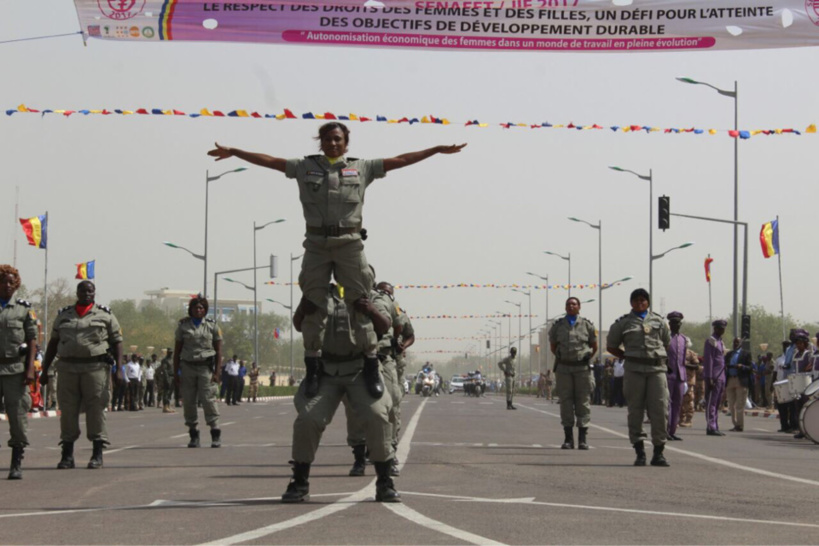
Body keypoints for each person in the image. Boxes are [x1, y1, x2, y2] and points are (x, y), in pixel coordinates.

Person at [208, 125, 466, 405]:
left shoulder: (362, 168)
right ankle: (313, 366)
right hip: (316, 244)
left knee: (361, 302)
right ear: (321, 142)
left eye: (338, 139)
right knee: (313, 302)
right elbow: (270, 161)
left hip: (349, 244)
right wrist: (234, 152)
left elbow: (401, 160)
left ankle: (370, 364)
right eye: (328, 139)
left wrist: (436, 150)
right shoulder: (304, 166)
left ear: (346, 143)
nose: (333, 143)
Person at [283, 283, 398, 503]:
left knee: (376, 416)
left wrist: (370, 309)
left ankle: (385, 482)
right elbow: (298, 325)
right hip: (324, 369)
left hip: (361, 369)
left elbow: (384, 326)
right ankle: (299, 481)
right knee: (308, 418)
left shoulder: (367, 293)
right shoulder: (317, 292)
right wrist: (302, 308)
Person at [40, 280, 123, 470]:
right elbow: (53, 344)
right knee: (67, 411)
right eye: (83, 291)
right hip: (67, 368)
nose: (87, 294)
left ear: (95, 294)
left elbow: (117, 342)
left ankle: (97, 454)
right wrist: (45, 370)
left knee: (96, 410)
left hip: (95, 368)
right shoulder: (64, 316)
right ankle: (67, 455)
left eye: (91, 291)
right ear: (77, 293)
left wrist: (119, 369)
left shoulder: (105, 315)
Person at [606, 288, 671, 467]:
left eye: (643, 300)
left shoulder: (659, 321)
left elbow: (666, 342)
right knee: (635, 410)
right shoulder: (623, 323)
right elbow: (611, 345)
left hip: (656, 369)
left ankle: (659, 452)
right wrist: (626, 356)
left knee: (660, 409)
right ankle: (639, 451)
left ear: (648, 302)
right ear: (631, 303)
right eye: (636, 300)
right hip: (634, 370)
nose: (639, 303)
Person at [0, 265, 37, 479]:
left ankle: (16, 461)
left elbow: (31, 339)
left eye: (11, 282)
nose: (7, 285)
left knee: (18, 415)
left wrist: (30, 367)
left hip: (15, 369)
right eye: (4, 281)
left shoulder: (23, 309)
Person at [173, 295, 223, 448]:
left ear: (205, 310)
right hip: (187, 367)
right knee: (189, 401)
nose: (199, 310)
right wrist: (176, 373)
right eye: (196, 307)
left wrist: (217, 373)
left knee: (208, 400)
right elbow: (177, 351)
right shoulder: (183, 326)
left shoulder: (212, 326)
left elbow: (219, 351)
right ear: (191, 309)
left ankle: (215, 433)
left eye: (201, 307)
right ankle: (193, 434)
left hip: (205, 368)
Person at [548, 297, 597, 450]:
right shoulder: (557, 326)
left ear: (579, 307)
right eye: (568, 304)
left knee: (583, 402)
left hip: (582, 369)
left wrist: (585, 357)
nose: (571, 306)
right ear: (565, 307)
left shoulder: (587, 325)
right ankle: (568, 438)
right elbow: (553, 347)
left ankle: (582, 439)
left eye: (574, 304)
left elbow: (594, 346)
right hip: (564, 369)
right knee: (566, 402)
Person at [702, 319, 727, 437]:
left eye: (724, 328)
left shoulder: (720, 341)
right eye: (720, 328)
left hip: (721, 376)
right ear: (715, 328)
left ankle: (715, 425)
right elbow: (709, 360)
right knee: (711, 402)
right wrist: (710, 377)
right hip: (714, 376)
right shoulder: (711, 341)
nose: (723, 330)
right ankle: (710, 427)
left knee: (717, 403)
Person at [665, 312, 687, 441]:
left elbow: (683, 360)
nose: (676, 325)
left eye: (678, 323)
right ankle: (666, 430)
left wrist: (684, 378)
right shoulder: (665, 338)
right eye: (673, 323)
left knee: (678, 404)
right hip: (668, 374)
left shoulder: (683, 339)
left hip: (680, 375)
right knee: (667, 403)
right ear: (669, 324)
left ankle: (673, 430)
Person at [791, 330, 813, 439]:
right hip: (797, 384)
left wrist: (807, 367)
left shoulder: (808, 354)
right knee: (798, 408)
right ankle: (801, 430)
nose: (799, 345)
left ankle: (809, 430)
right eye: (797, 343)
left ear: (805, 344)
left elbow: (811, 365)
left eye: (801, 343)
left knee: (806, 408)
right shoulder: (795, 354)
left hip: (806, 383)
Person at [679, 344, 700, 428]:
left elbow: (696, 366)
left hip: (689, 381)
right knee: (679, 401)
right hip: (679, 380)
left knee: (688, 400)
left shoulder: (691, 354)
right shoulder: (677, 353)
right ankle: (680, 419)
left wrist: (685, 364)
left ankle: (688, 420)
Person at [157, 348, 176, 413]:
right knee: (166, 392)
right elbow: (164, 370)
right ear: (167, 352)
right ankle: (165, 406)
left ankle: (168, 405)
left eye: (171, 352)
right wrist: (167, 379)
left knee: (170, 392)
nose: (170, 353)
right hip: (167, 377)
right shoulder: (165, 360)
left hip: (172, 376)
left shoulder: (172, 360)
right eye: (169, 352)